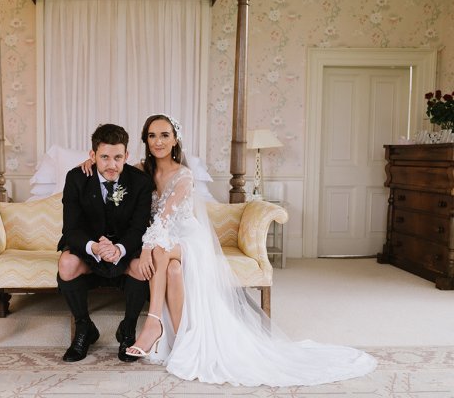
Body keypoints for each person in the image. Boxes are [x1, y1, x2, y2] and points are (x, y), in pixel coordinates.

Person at [83, 114, 377, 386]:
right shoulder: (139, 172)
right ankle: (183, 340)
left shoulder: (183, 175)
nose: (157, 141)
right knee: (171, 268)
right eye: (151, 136)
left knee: (161, 251)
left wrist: (147, 249)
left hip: (186, 238)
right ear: (145, 141)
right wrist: (89, 164)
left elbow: (164, 220)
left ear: (175, 139)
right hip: (164, 242)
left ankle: (153, 323)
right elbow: (112, 172)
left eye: (164, 135)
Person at [57, 123, 153, 363]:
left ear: (127, 156)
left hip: (125, 250)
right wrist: (96, 247)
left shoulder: (140, 182)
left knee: (142, 268)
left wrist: (119, 249)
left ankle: (127, 329)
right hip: (90, 250)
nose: (112, 165)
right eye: (105, 157)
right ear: (92, 156)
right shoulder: (76, 178)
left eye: (118, 157)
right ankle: (84, 328)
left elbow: (138, 228)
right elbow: (71, 229)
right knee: (67, 264)